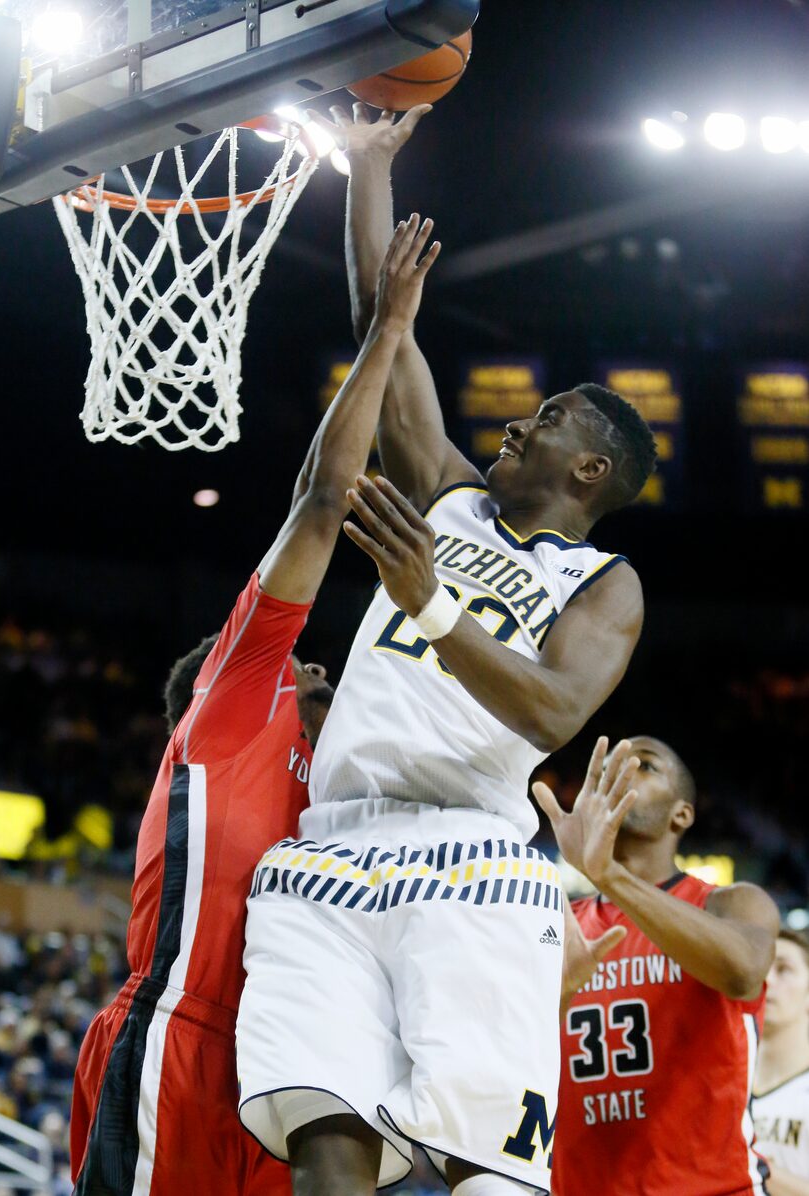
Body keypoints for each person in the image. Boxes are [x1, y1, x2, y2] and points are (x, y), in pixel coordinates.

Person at [235, 107, 656, 1196]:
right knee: (322, 1135)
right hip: (327, 846)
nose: (519, 419)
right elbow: (388, 323)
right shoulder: (451, 496)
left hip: (468, 858)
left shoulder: (601, 584)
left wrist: (429, 607)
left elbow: (553, 711)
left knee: (482, 1165)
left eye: (550, 416)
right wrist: (368, 169)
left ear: (589, 473)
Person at [69, 216, 441, 1196]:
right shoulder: (235, 701)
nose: (315, 665)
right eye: (299, 663)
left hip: (281, 1075)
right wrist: (384, 332)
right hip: (179, 1043)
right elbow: (323, 502)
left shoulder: (340, 780)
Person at [536, 735, 780, 1196]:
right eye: (607, 766)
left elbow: (743, 970)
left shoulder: (731, 903)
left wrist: (607, 874)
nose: (619, 772)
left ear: (681, 814)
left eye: (644, 765)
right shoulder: (559, 923)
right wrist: (558, 998)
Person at [753, 929, 809, 1193]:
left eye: (783, 969)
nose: (767, 980)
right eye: (761, 968)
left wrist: (757, 1166)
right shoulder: (724, 1082)